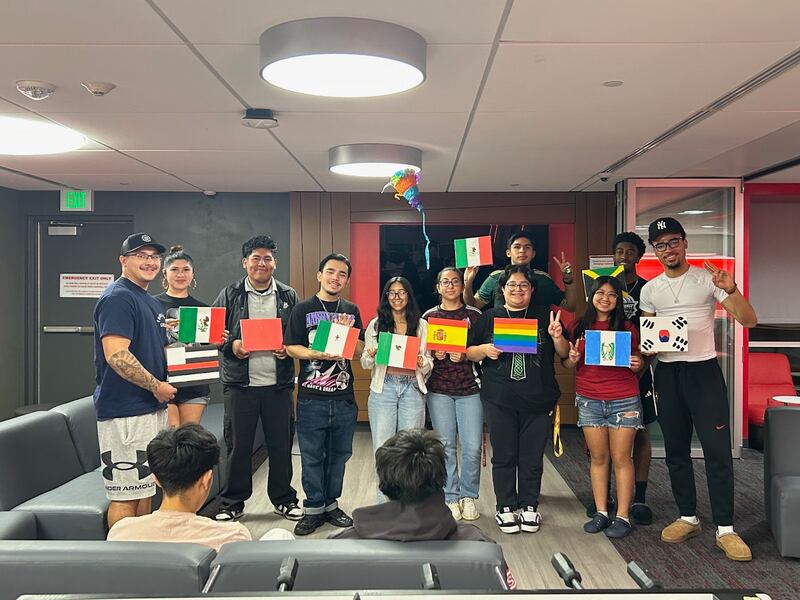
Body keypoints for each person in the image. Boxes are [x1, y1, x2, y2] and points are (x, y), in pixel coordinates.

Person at [640, 217, 757, 562]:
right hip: (667, 373)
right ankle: (688, 516)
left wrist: (731, 289)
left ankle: (725, 528)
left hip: (704, 373)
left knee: (717, 451)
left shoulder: (710, 279)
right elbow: (649, 340)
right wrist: (640, 358)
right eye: (660, 245)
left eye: (673, 241)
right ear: (655, 250)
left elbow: (748, 319)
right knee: (676, 449)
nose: (667, 249)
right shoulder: (651, 290)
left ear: (685, 243)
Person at [466, 265, 567, 534]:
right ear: (502, 289)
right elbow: (469, 352)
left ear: (532, 290)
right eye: (511, 285)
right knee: (504, 454)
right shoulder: (488, 317)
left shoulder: (546, 316)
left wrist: (557, 337)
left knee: (532, 456)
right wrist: (485, 349)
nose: (517, 290)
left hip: (538, 397)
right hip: (499, 397)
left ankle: (529, 505)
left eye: (523, 285)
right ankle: (506, 506)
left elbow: (565, 353)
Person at [212, 235, 301, 523]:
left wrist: (287, 349)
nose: (262, 264)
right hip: (241, 385)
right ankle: (232, 502)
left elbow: (298, 337)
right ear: (245, 262)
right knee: (238, 445)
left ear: (275, 263)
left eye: (268, 258)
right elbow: (213, 335)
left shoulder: (288, 296)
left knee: (281, 444)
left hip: (278, 385)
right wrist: (232, 345)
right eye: (256, 258)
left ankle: (284, 499)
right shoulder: (229, 295)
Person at [93, 233, 176, 529]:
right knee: (125, 493)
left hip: (148, 408)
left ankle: (138, 554)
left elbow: (157, 349)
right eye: (141, 255)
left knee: (144, 488)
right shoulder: (118, 297)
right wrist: (156, 386)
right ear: (123, 260)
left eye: (154, 257)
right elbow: (116, 355)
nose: (150, 262)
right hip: (125, 411)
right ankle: (119, 562)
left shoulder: (149, 301)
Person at [108, 423, 293, 550]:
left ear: (155, 478)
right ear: (206, 479)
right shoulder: (232, 537)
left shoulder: (120, 533)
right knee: (281, 536)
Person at [285, 253, 364, 536]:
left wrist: (349, 333)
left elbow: (360, 350)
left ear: (346, 279)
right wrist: (314, 354)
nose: (335, 278)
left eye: (342, 274)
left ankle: (331, 505)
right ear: (319, 275)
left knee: (340, 455)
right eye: (330, 272)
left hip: (343, 397)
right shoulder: (302, 309)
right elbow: (290, 346)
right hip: (310, 397)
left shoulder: (351, 310)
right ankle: (313, 508)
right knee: (311, 455)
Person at [560, 276, 645, 539]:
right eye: (600, 293)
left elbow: (640, 360)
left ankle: (623, 516)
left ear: (618, 300)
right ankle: (601, 512)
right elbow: (566, 363)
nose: (605, 298)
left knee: (622, 458)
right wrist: (571, 359)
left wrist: (637, 363)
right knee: (598, 458)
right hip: (590, 398)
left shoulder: (628, 327)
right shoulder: (579, 326)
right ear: (592, 296)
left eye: (611, 294)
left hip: (624, 398)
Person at [361, 277, 432, 502]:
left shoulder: (422, 325)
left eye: (402, 292)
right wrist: (370, 355)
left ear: (409, 296)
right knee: (383, 449)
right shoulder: (376, 324)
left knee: (411, 449)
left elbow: (430, 364)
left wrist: (423, 363)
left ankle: (409, 501)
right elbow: (365, 362)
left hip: (412, 388)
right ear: (385, 297)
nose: (397, 297)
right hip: (384, 388)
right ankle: (384, 503)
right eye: (392, 293)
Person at [421, 267, 483, 521]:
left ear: (461, 285)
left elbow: (483, 349)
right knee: (445, 446)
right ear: (437, 287)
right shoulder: (428, 317)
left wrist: (467, 352)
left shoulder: (474, 315)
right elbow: (420, 355)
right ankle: (450, 496)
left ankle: (469, 495)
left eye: (455, 281)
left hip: (470, 389)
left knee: (472, 446)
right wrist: (432, 356)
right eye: (444, 281)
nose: (450, 286)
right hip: (439, 390)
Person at [613, 231, 656, 525]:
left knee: (639, 432)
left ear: (638, 257)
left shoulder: (649, 289)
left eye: (630, 252)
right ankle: (604, 496)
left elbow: (654, 332)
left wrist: (643, 363)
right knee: (603, 434)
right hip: (607, 372)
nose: (624, 257)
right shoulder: (603, 287)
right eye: (619, 251)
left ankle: (639, 497)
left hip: (639, 369)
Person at [154, 245, 213, 427]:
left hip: (194, 381)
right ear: (164, 273)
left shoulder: (203, 308)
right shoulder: (152, 304)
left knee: (189, 436)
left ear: (193, 274)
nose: (181, 274)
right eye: (174, 270)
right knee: (171, 433)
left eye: (186, 270)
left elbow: (207, 347)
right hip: (163, 379)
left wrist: (217, 341)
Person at [463, 229, 578, 311]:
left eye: (527, 247)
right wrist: (468, 282)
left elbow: (570, 306)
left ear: (533, 254)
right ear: (508, 253)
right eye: (517, 247)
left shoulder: (543, 279)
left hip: (539, 339)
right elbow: (472, 305)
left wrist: (568, 281)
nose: (522, 251)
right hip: (504, 336)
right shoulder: (496, 277)